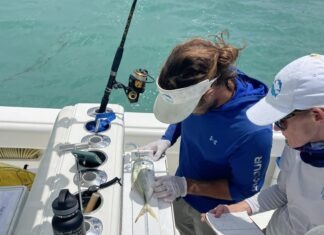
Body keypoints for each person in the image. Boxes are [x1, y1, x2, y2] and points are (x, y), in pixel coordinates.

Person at [142, 34, 273, 235]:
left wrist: (186, 185)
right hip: (178, 194)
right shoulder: (209, 80)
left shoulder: (252, 131)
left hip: (214, 216)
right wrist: (167, 139)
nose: (186, 111)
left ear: (209, 91)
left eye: (188, 106)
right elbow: (182, 114)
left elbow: (245, 190)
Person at [207, 54, 324, 235]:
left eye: (282, 121)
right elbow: (282, 191)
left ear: (317, 116)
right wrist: (238, 208)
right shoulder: (298, 144)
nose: (276, 129)